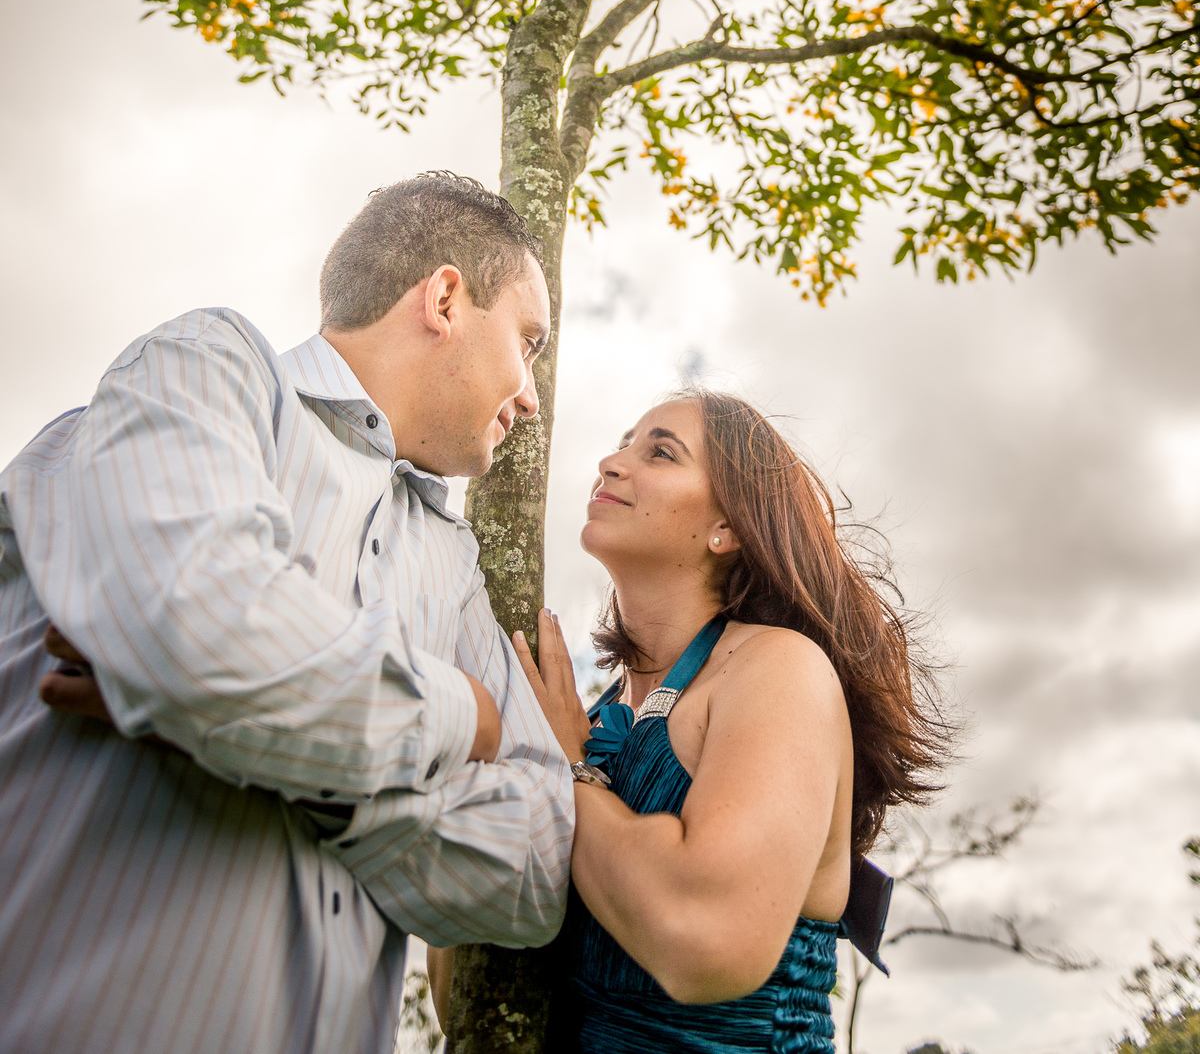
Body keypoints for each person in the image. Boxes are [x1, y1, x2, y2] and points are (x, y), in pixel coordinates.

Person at [0, 172, 573, 1054]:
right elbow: (198, 637)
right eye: (527, 343)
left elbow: (538, 864)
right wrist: (464, 713)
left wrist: (307, 779)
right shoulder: (204, 370)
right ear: (447, 298)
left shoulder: (453, 566)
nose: (530, 395)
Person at [511, 390, 949, 1054]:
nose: (609, 462)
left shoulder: (777, 669)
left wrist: (563, 772)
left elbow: (706, 936)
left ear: (728, 527)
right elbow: (475, 984)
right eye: (623, 443)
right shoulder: (582, 716)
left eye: (659, 451)